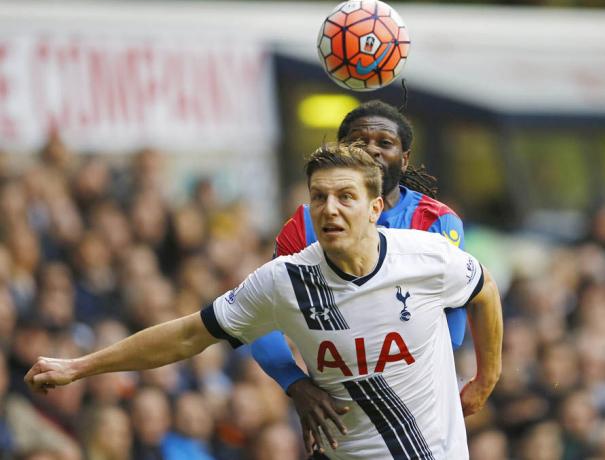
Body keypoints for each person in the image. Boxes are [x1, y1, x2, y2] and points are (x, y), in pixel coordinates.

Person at [25, 144, 503, 459]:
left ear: (375, 207)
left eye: (345, 196)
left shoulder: (427, 257)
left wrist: (486, 377)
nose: (329, 209)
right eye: (319, 197)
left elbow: (485, 291)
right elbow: (190, 334)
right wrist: (79, 367)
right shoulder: (285, 281)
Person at [250, 99, 469, 449]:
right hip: (338, 423)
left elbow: (453, 330)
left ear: (405, 158)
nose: (372, 150)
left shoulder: (436, 223)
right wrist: (296, 384)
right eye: (359, 142)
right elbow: (255, 317)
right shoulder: (307, 223)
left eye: (385, 143)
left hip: (418, 417)